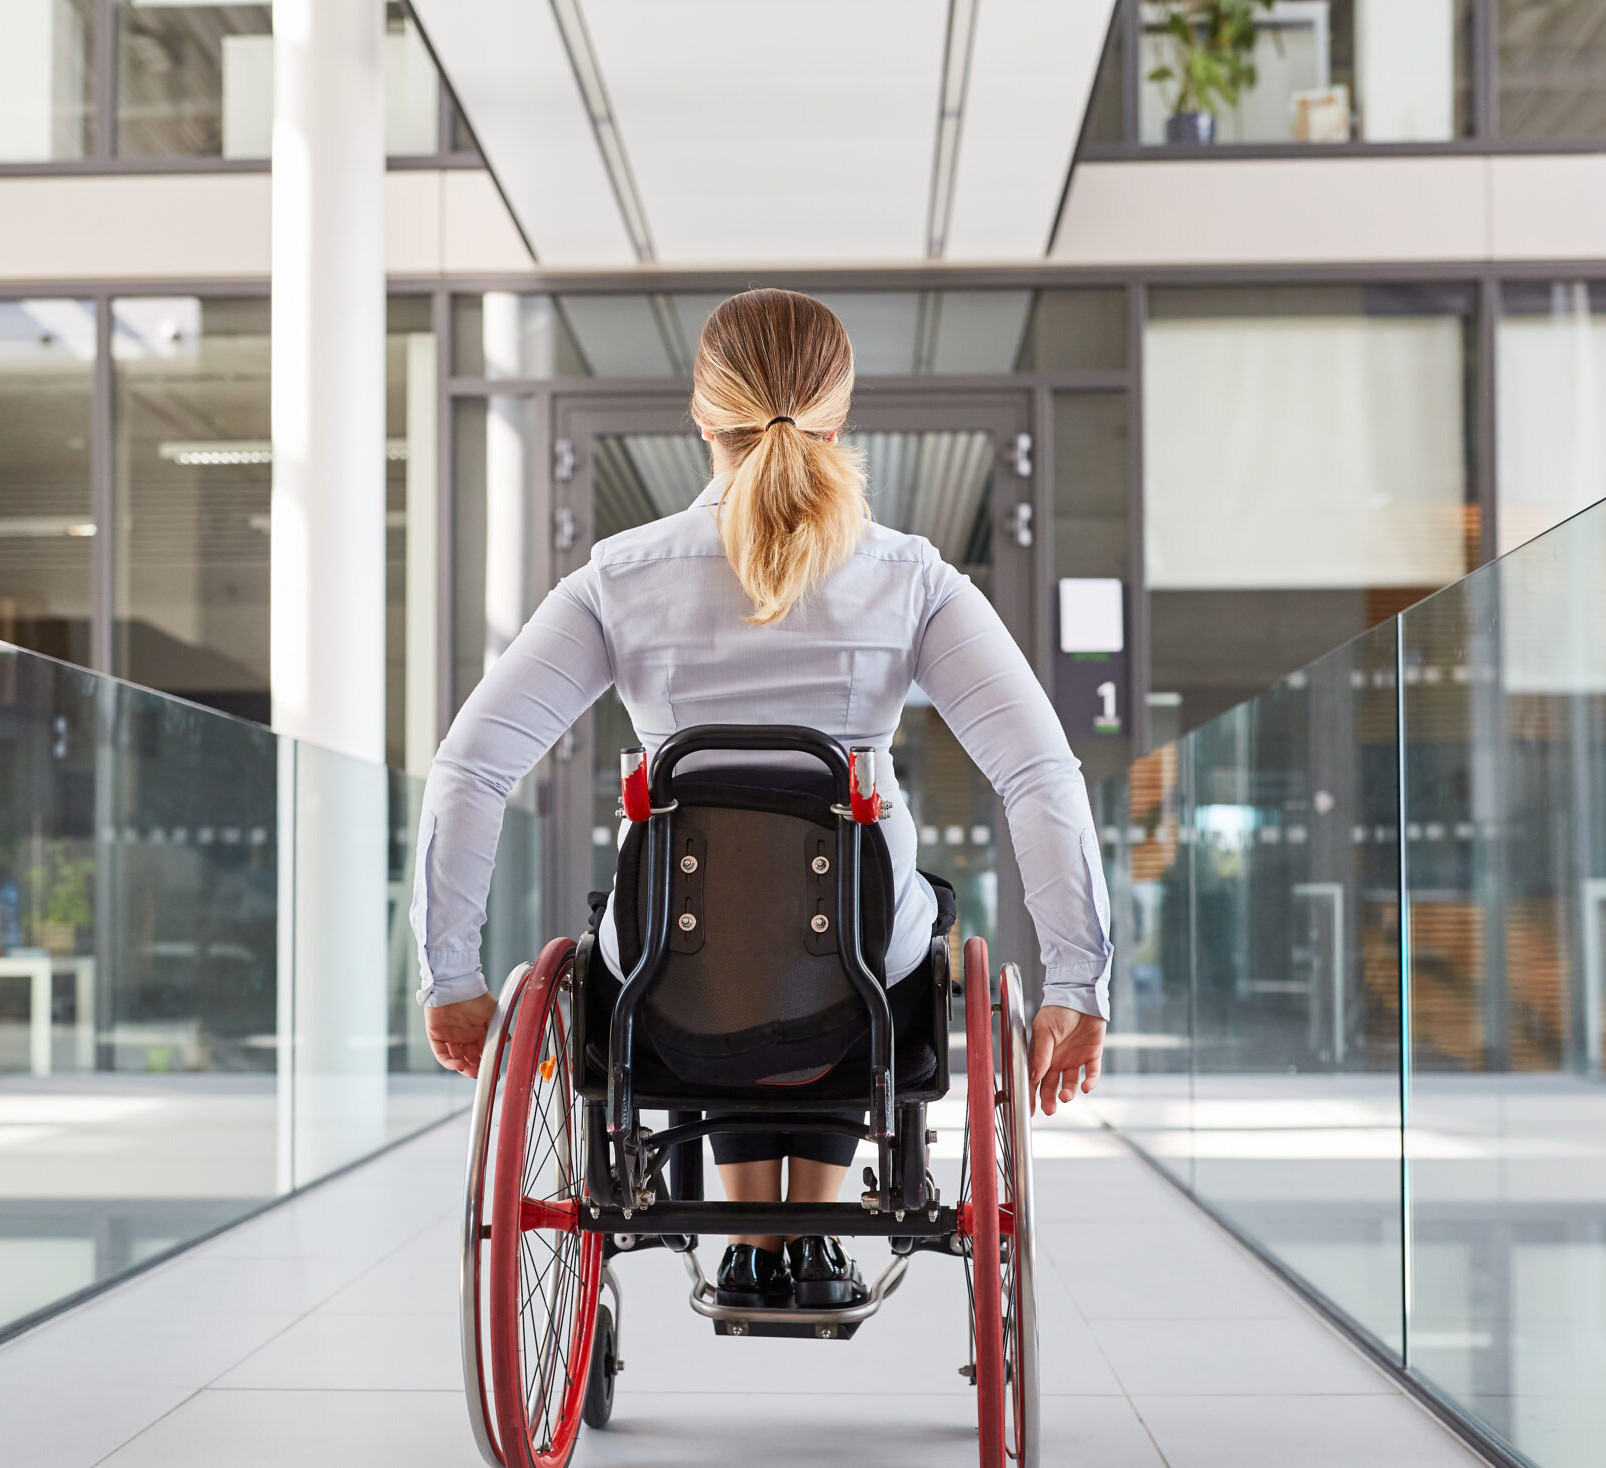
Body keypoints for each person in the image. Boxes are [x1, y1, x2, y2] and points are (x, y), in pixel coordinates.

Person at [411, 288, 1111, 1311]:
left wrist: (450, 971)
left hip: (668, 975)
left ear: (702, 415)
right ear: (840, 415)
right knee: (857, 919)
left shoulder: (617, 578)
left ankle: (752, 1237)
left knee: (719, 929)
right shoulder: (911, 579)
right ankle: (802, 1241)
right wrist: (1075, 984)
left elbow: (471, 769)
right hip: (861, 987)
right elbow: (1038, 774)